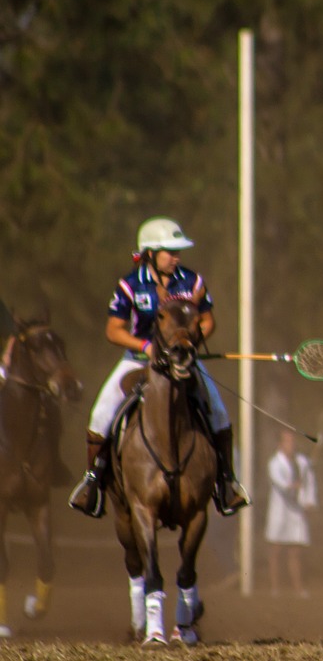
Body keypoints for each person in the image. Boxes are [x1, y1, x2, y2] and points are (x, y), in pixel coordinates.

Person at [69, 216, 249, 517]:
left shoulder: (192, 281)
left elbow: (208, 321)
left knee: (217, 410)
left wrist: (189, 342)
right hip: (137, 361)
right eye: (170, 251)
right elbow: (113, 330)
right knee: (100, 414)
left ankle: (226, 482)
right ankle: (92, 484)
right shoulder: (130, 284)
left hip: (182, 359)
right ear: (150, 252)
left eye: (178, 251)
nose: (176, 257)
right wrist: (146, 346)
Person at [265, 428, 317, 597]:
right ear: (281, 444)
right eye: (287, 442)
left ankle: (298, 588)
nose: (291, 445)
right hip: (280, 511)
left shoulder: (302, 462)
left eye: (293, 442)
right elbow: (279, 482)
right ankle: (275, 588)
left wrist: (309, 502)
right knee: (276, 549)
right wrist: (292, 486)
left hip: (297, 512)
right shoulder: (274, 463)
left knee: (295, 550)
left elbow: (310, 482)